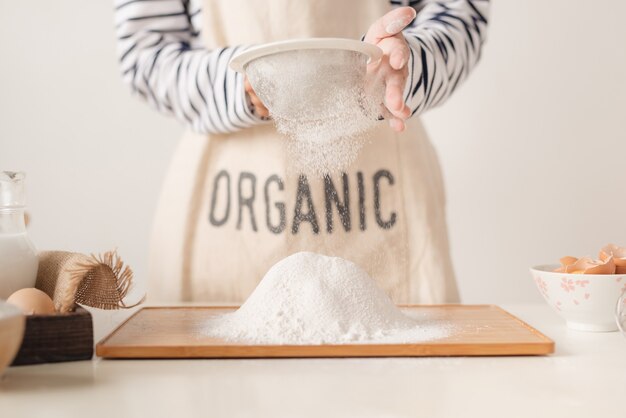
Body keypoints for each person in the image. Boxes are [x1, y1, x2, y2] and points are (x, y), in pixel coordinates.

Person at [114, 0, 490, 304]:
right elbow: (146, 52)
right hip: (226, 211)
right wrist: (246, 82)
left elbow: (460, 14)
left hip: (383, 204)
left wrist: (405, 66)